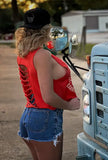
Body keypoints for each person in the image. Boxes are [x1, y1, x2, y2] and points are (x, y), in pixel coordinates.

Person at [15, 8, 80, 160]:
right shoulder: (42, 55)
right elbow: (48, 97)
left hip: (29, 116)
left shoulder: (23, 53)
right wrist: (70, 105)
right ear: (47, 29)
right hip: (45, 117)